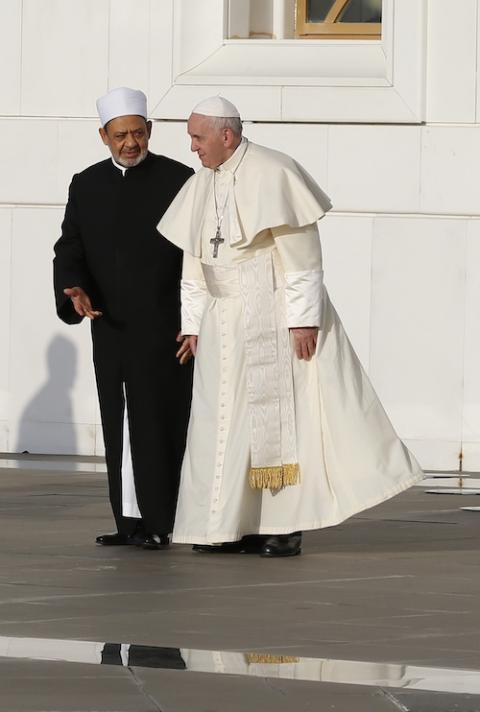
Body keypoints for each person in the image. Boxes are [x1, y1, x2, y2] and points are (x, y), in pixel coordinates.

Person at [158, 96, 422, 557]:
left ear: (227, 135)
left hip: (269, 314)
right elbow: (195, 264)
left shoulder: (274, 171)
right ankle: (223, 525)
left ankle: (280, 527)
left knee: (276, 424)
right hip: (221, 320)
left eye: (198, 138)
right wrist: (192, 323)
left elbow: (302, 260)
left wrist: (302, 321)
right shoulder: (202, 183)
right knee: (218, 421)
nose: (192, 148)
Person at [53, 87, 194, 550]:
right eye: (120, 135)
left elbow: (195, 257)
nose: (130, 143)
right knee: (119, 422)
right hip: (109, 327)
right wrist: (73, 288)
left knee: (159, 421)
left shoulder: (180, 179)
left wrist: (193, 319)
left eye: (137, 133)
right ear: (103, 136)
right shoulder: (86, 183)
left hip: (163, 327)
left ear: (150, 131)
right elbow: (69, 247)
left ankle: (162, 520)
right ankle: (128, 522)